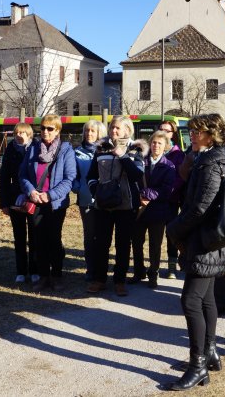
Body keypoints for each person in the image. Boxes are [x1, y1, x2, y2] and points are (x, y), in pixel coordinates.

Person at [166, 114, 225, 391]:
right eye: (190, 131)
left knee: (191, 301)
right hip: (209, 240)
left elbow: (199, 209)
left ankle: (198, 366)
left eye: (197, 132)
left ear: (212, 134)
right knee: (206, 300)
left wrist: (174, 229)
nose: (191, 135)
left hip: (206, 241)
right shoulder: (208, 158)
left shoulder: (211, 163)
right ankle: (209, 354)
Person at [86, 116, 146, 297]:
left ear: (127, 130)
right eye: (112, 127)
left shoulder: (136, 149)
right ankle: (99, 280)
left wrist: (122, 155)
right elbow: (91, 175)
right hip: (103, 205)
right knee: (101, 243)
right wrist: (96, 190)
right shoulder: (101, 148)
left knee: (123, 244)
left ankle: (120, 281)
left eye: (118, 128)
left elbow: (137, 175)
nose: (113, 131)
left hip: (126, 206)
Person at [19, 114, 76, 291]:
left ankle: (57, 275)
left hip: (55, 203)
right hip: (36, 201)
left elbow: (69, 178)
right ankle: (43, 276)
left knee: (54, 239)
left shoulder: (66, 150)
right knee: (38, 240)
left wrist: (50, 195)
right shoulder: (33, 148)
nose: (45, 131)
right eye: (42, 128)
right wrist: (31, 191)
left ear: (58, 130)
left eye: (50, 129)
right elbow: (22, 175)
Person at [131, 131, 176, 288]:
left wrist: (145, 194)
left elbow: (166, 190)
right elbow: (134, 182)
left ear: (165, 146)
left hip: (158, 210)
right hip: (140, 209)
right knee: (136, 241)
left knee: (155, 244)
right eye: (154, 142)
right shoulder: (141, 161)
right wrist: (139, 197)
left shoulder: (169, 166)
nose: (156, 145)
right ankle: (138, 271)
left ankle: (153, 273)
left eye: (160, 143)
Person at [0, 123, 37, 283]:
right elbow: (4, 177)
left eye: (23, 132)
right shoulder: (10, 149)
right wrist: (4, 202)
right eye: (17, 133)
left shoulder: (37, 147)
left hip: (34, 196)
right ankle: (21, 271)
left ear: (30, 134)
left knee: (35, 236)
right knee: (19, 236)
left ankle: (35, 270)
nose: (20, 135)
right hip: (15, 198)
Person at [72, 120, 108, 281]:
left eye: (93, 131)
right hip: (86, 199)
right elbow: (73, 174)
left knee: (103, 235)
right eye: (87, 131)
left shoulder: (107, 150)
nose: (89, 134)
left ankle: (102, 269)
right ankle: (91, 269)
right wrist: (77, 187)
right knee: (89, 235)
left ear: (100, 133)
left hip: (105, 199)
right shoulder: (77, 152)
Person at [159, 120, 185, 279]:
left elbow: (180, 177)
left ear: (173, 134)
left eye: (167, 131)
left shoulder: (178, 154)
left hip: (171, 200)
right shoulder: (153, 149)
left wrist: (167, 191)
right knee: (155, 235)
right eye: (161, 129)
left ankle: (172, 267)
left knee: (171, 234)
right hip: (154, 200)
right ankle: (154, 266)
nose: (163, 133)